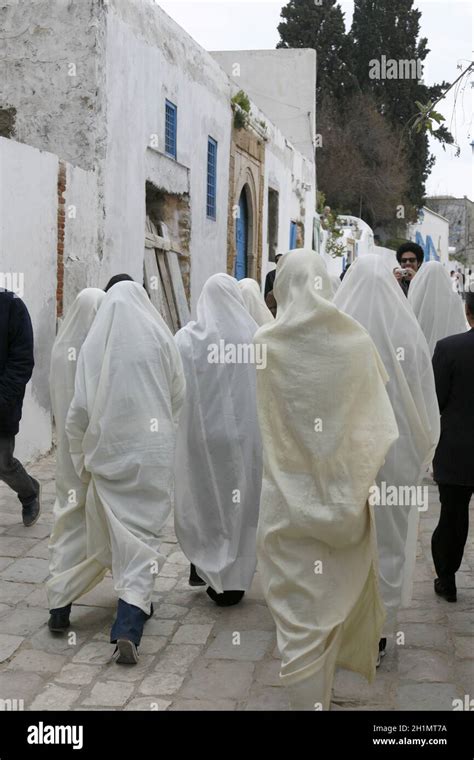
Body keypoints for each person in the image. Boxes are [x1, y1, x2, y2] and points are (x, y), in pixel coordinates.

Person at [253, 249, 399, 710]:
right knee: (331, 606)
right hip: (344, 504)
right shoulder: (357, 343)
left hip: (283, 508)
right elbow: (378, 426)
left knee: (296, 622)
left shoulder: (265, 342)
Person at [64, 281, 185, 663]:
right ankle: (131, 617)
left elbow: (79, 408)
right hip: (153, 451)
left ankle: (130, 610)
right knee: (145, 534)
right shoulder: (160, 336)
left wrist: (77, 452)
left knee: (121, 531)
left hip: (111, 451)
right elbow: (178, 393)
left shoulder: (94, 344)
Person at [334, 255, 440, 661]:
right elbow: (423, 399)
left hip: (345, 456)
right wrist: (423, 443)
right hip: (394, 455)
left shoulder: (337, 332)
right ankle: (375, 631)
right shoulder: (407, 334)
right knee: (388, 539)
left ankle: (342, 623)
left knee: (346, 538)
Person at [174, 273, 262, 606]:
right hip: (245, 435)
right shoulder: (256, 337)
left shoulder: (187, 339)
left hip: (203, 437)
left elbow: (176, 386)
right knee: (240, 501)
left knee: (207, 498)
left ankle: (208, 564)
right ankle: (236, 576)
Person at [47, 288, 105, 631]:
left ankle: (59, 604)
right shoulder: (94, 353)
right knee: (107, 517)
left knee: (67, 519)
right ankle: (133, 596)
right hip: (91, 451)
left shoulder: (60, 349)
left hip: (66, 460)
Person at [431, 291, 474, 603]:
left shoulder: (449, 348)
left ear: (468, 312)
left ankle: (447, 579)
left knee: (452, 517)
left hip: (457, 448)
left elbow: (436, 399)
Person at [0, 288, 40, 526]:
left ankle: (29, 493)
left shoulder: (11, 306)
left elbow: (22, 360)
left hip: (2, 403)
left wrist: (3, 398)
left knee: (2, 462)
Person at [408, 260, 468, 355]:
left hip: (420, 352)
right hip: (451, 351)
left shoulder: (417, 295)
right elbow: (459, 324)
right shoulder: (453, 298)